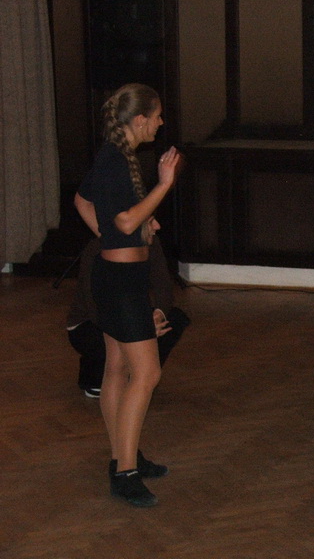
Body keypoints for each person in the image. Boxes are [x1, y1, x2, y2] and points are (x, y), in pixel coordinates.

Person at [74, 83, 183, 507]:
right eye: (156, 116)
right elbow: (122, 221)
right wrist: (163, 185)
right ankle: (125, 473)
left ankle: (124, 455)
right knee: (146, 373)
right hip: (120, 283)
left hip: (119, 276)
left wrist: (121, 233)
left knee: (118, 369)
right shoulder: (117, 161)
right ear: (139, 120)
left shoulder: (114, 157)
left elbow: (84, 201)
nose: (160, 122)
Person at [67, 235, 190, 399]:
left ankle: (137, 375)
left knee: (174, 319)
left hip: (128, 315)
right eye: (150, 222)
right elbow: (95, 306)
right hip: (90, 323)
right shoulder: (99, 247)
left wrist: (158, 315)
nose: (157, 226)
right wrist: (140, 330)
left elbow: (164, 287)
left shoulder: (151, 241)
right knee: (114, 343)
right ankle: (96, 374)